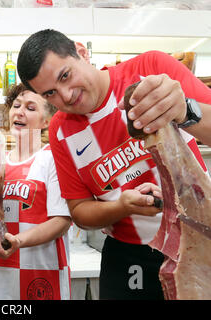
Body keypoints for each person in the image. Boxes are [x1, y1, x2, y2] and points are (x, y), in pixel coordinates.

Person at [16, 29, 211, 300]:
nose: (67, 95)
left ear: (81, 52)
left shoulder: (152, 69)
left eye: (65, 76)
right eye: (50, 93)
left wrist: (185, 110)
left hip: (198, 241)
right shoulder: (60, 129)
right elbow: (80, 210)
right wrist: (121, 206)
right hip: (127, 256)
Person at [0, 83, 72, 300]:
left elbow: (62, 221)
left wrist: (19, 241)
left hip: (39, 272)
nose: (20, 111)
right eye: (16, 105)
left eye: (31, 108)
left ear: (46, 121)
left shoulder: (53, 158)